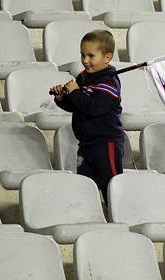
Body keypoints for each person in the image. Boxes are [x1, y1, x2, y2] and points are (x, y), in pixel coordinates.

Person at [50, 29, 125, 202]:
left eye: (91, 56)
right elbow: (78, 106)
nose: (85, 61)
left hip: (106, 144)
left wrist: (75, 92)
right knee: (84, 189)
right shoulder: (83, 77)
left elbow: (94, 108)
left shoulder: (109, 81)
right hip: (86, 144)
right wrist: (62, 98)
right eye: (82, 55)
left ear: (107, 57)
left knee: (111, 190)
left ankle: (117, 221)